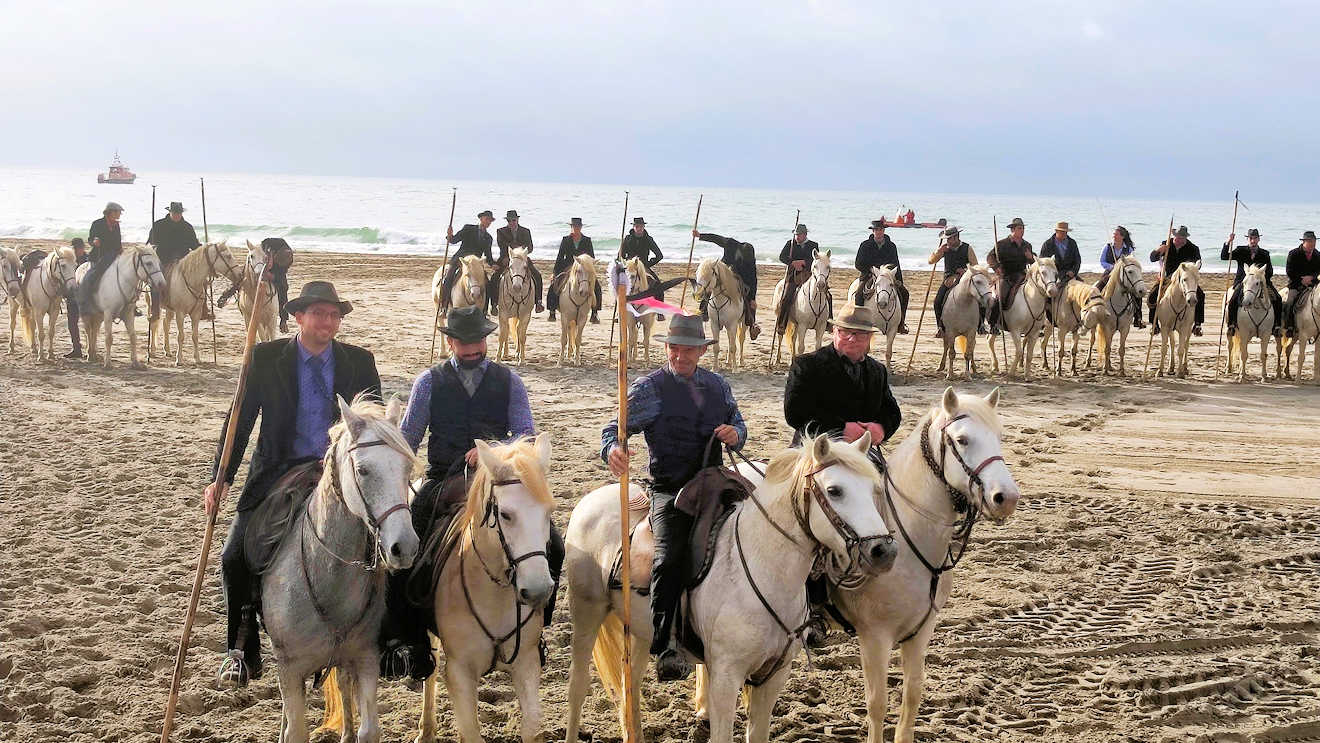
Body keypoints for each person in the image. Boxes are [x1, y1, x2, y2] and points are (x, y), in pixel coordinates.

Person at [203, 281, 381, 688]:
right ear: (298, 316)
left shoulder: (359, 361)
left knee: (390, 546)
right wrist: (221, 478)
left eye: (335, 315)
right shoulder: (265, 358)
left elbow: (370, 424)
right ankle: (241, 652)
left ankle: (389, 641)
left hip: (339, 474)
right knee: (234, 556)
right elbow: (239, 422)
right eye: (319, 313)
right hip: (278, 472)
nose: (329, 321)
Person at [383, 305, 557, 678]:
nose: (472, 348)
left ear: (486, 339)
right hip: (444, 478)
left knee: (552, 542)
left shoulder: (509, 381)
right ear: (451, 342)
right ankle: (409, 638)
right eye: (464, 342)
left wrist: (492, 450)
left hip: (500, 478)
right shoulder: (429, 381)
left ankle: (538, 627)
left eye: (478, 340)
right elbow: (410, 438)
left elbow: (523, 434)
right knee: (404, 551)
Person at [601, 314, 746, 681]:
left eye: (689, 350)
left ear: (701, 351)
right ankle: (665, 644)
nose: (681, 356)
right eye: (675, 349)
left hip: (715, 482)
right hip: (671, 488)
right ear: (666, 348)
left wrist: (735, 434)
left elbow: (739, 425)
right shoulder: (650, 388)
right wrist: (612, 449)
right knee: (669, 557)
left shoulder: (718, 385)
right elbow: (614, 429)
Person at [782, 303, 901, 643]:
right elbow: (795, 414)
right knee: (811, 526)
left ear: (869, 340)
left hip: (862, 456)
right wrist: (842, 428)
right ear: (834, 332)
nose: (851, 338)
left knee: (893, 502)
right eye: (845, 331)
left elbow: (892, 414)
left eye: (860, 334)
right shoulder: (807, 365)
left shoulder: (877, 371)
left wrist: (880, 429)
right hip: (814, 454)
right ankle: (814, 605)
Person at [692, 228, 761, 339]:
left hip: (740, 280)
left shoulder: (749, 259)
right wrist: (700, 235)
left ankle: (752, 323)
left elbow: (753, 279)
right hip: (724, 274)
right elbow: (716, 238)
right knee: (710, 286)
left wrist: (753, 298)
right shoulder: (730, 244)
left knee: (748, 298)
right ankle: (703, 311)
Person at [215, 237, 295, 332]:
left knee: (283, 288)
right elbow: (260, 250)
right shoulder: (269, 244)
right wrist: (265, 263)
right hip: (260, 262)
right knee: (241, 278)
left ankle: (283, 320)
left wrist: (270, 274)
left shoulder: (285, 264)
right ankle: (228, 295)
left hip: (274, 272)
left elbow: (279, 275)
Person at [1221, 228, 1282, 337]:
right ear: (1247, 239)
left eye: (1255, 238)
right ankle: (1231, 325)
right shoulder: (1240, 250)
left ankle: (1276, 326)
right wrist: (1228, 241)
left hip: (1261, 283)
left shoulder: (1264, 254)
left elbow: (1270, 271)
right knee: (1233, 300)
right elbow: (1224, 257)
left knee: (1277, 298)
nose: (1253, 241)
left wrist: (1261, 278)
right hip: (1243, 282)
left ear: (1258, 239)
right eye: (1251, 238)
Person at [854, 219, 909, 333]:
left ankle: (901, 323)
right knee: (859, 294)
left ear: (883, 231)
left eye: (881, 230)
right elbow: (858, 264)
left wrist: (899, 280)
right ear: (873, 231)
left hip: (887, 276)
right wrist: (870, 269)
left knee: (904, 293)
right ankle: (858, 322)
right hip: (869, 275)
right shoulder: (865, 245)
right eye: (876, 230)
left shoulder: (891, 246)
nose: (879, 232)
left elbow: (896, 264)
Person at [147, 202, 201, 317]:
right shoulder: (158, 225)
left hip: (183, 262)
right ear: (170, 212)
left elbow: (194, 245)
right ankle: (155, 309)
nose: (177, 215)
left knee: (201, 279)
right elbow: (150, 243)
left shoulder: (187, 227)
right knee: (155, 281)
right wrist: (153, 246)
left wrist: (203, 249)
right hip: (164, 260)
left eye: (179, 213)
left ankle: (203, 308)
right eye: (175, 213)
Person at [1148, 225, 1206, 335]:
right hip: (1168, 277)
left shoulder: (1193, 248)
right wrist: (1159, 250)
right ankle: (1154, 324)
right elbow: (1152, 258)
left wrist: (1193, 267)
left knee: (1200, 295)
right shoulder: (1166, 243)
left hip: (1186, 279)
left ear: (1185, 238)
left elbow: (1198, 264)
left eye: (1180, 238)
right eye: (1176, 237)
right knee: (1153, 294)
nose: (1177, 240)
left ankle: (1197, 324)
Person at [928, 226, 983, 338]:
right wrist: (939, 251)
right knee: (937, 302)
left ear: (956, 237)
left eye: (949, 239)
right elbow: (931, 261)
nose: (947, 241)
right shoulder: (944, 248)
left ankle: (980, 325)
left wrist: (966, 271)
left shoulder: (967, 248)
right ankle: (941, 327)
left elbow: (976, 266)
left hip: (966, 279)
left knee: (980, 298)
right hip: (949, 279)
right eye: (946, 239)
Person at [986, 217, 1036, 333]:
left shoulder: (1027, 245)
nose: (1022, 230)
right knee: (1000, 298)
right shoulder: (1002, 244)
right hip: (1006, 276)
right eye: (1019, 228)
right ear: (1012, 229)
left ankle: (1035, 324)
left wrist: (1031, 258)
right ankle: (993, 325)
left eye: (1023, 228)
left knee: (1038, 294)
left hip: (1023, 276)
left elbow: (1033, 262)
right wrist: (996, 267)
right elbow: (990, 257)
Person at [440, 210, 497, 310]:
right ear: (481, 218)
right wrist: (450, 235)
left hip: (476, 265)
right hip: (461, 260)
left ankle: (484, 311)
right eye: (487, 219)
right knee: (448, 278)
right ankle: (444, 306)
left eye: (490, 221)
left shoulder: (488, 238)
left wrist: (493, 264)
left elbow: (488, 256)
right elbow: (454, 240)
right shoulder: (468, 228)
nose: (488, 222)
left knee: (487, 284)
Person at [548, 218, 600, 322]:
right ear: (571, 227)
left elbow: (591, 257)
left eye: (578, 226)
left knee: (597, 286)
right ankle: (552, 311)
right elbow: (560, 257)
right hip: (567, 268)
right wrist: (554, 273)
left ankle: (594, 312)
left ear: (580, 227)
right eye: (574, 226)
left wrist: (589, 267)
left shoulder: (587, 240)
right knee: (554, 285)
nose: (576, 228)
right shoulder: (565, 240)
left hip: (583, 268)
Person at [493, 210, 544, 315]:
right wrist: (512, 252)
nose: (511, 222)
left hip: (522, 258)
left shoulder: (526, 231)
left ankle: (538, 302)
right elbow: (502, 245)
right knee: (494, 277)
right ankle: (494, 303)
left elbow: (530, 247)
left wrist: (520, 253)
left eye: (513, 220)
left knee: (537, 275)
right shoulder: (500, 231)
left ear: (517, 220)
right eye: (509, 220)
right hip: (506, 258)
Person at [79, 202, 125, 310]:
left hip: (113, 256)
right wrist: (94, 242)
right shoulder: (97, 224)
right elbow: (90, 239)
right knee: (91, 276)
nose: (119, 215)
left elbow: (118, 242)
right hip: (98, 256)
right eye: (118, 212)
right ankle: (86, 299)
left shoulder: (117, 225)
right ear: (111, 212)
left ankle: (128, 304)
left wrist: (121, 251)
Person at [1095, 226, 1144, 328]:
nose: (1114, 236)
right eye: (1114, 234)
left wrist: (1121, 267)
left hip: (1124, 274)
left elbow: (1132, 262)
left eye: (1116, 234)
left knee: (1136, 292)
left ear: (1122, 236)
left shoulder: (1128, 249)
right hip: (1110, 273)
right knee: (1097, 287)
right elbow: (1102, 261)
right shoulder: (1108, 247)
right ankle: (1095, 311)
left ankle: (1138, 317)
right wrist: (1112, 267)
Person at [776, 223, 821, 331]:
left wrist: (804, 262)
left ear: (805, 235)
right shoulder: (790, 244)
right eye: (796, 234)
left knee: (827, 294)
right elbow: (782, 257)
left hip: (808, 276)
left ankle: (828, 321)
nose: (797, 237)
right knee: (786, 298)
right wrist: (792, 262)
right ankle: (781, 324)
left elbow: (816, 260)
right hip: (793, 276)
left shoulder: (813, 245)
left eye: (799, 234)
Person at [1283, 230, 1320, 337]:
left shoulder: (1318, 255)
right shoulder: (1293, 253)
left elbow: (1319, 271)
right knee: (1290, 301)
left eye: (1314, 241)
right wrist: (1301, 280)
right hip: (1296, 284)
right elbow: (1289, 271)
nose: (1312, 244)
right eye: (1310, 241)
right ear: (1304, 242)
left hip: (1313, 285)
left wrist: (1311, 278)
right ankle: (1289, 326)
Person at [621, 217, 665, 300]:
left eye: (641, 226)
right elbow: (621, 255)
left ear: (644, 227)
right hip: (629, 267)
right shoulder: (627, 239)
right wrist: (626, 263)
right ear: (633, 227)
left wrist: (647, 264)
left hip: (644, 267)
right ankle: (619, 306)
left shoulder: (648, 239)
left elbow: (659, 255)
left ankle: (660, 311)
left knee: (658, 286)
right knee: (618, 284)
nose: (639, 228)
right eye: (637, 226)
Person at [64, 239, 90, 359]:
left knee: (88, 324)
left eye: (77, 248)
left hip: (86, 298)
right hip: (72, 298)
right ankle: (76, 349)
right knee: (72, 324)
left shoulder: (89, 260)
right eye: (73, 248)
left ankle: (91, 349)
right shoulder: (69, 261)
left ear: (82, 248)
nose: (75, 251)